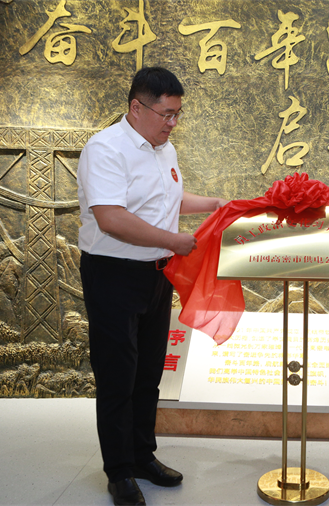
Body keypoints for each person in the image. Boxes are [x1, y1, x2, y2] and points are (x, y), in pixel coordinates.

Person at [77, 67, 227, 506]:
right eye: (166, 114)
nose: (173, 123)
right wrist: (174, 241)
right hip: (114, 274)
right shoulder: (106, 148)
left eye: (178, 114)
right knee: (117, 377)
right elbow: (112, 218)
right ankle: (119, 471)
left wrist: (215, 204)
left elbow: (169, 201)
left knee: (148, 374)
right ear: (136, 107)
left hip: (157, 275)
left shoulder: (165, 149)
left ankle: (143, 456)